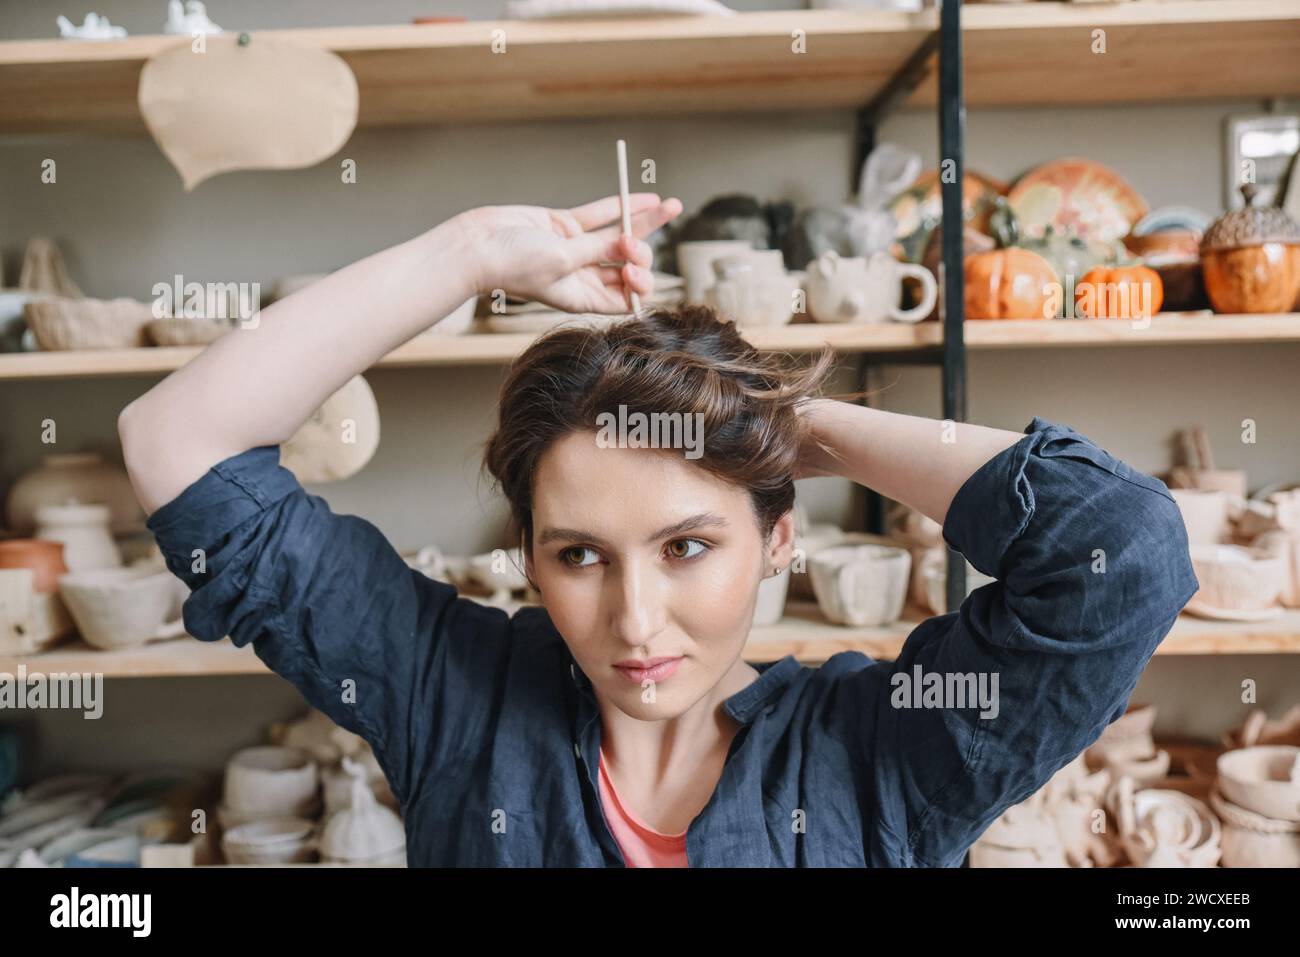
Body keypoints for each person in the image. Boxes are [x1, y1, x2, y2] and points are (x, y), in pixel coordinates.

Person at [119, 193, 1198, 867]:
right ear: (529, 552)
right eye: (578, 555)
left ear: (779, 538)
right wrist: (474, 250)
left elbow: (1121, 550)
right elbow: (179, 444)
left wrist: (785, 422)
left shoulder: (887, 754)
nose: (634, 621)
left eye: (687, 545)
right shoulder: (451, 697)